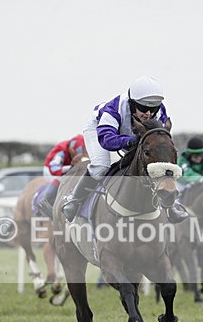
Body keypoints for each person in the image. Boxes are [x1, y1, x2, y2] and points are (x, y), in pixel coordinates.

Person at [60, 75, 188, 223]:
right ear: (132, 103)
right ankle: (74, 199)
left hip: (134, 134)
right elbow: (107, 140)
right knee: (101, 166)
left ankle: (170, 205)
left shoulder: (160, 113)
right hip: (100, 130)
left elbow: (160, 142)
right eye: (143, 108)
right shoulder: (114, 109)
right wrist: (130, 141)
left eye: (153, 108)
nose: (148, 113)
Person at [35, 134, 85, 218]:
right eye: (75, 153)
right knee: (61, 179)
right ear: (71, 149)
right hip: (50, 171)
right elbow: (54, 169)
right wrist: (71, 167)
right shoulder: (61, 151)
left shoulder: (79, 146)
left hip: (66, 170)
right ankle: (45, 201)